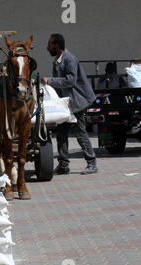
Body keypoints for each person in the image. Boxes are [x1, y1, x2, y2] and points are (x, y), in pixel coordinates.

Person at [41, 33, 98, 175]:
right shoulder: (57, 60)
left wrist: (50, 81)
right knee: (61, 134)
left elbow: (70, 81)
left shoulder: (69, 59)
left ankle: (92, 163)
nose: (47, 48)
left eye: (50, 45)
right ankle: (63, 165)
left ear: (57, 46)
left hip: (77, 102)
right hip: (65, 104)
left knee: (80, 133)